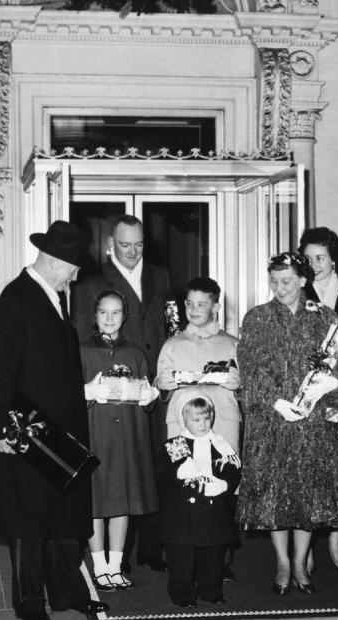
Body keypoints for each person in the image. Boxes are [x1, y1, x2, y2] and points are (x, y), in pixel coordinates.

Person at [0, 220, 109, 620]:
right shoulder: (18, 299)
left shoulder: (51, 296)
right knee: (27, 519)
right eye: (73, 266)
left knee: (60, 515)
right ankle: (29, 601)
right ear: (54, 261)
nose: (76, 274)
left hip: (54, 432)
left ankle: (66, 590)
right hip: (24, 430)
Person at [235, 252, 338, 596]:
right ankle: (282, 563)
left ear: (303, 280)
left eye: (286, 281)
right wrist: (275, 401)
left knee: (307, 493)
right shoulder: (257, 317)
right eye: (273, 281)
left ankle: (301, 561)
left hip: (312, 421)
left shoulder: (325, 317)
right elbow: (249, 365)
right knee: (275, 494)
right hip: (271, 420)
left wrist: (330, 384)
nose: (279, 288)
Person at [73, 214, 172, 572]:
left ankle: (148, 549)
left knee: (148, 465)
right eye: (125, 245)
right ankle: (116, 560)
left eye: (139, 244)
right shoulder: (89, 284)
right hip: (109, 390)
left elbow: (167, 326)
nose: (133, 252)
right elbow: (84, 334)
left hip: (149, 381)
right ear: (112, 245)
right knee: (112, 470)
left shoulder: (161, 276)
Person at [80, 290, 161, 593]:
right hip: (96, 433)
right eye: (104, 312)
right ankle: (99, 566)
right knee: (97, 501)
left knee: (123, 501)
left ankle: (115, 566)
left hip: (128, 435)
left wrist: (150, 395)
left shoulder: (136, 353)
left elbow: (147, 396)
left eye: (116, 313)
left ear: (124, 316)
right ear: (95, 314)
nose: (110, 319)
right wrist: (88, 392)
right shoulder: (82, 351)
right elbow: (70, 399)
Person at [298, 226, 338, 572]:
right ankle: (305, 546)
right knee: (310, 464)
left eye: (320, 258)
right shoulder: (298, 290)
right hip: (307, 389)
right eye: (307, 259)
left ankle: (337, 536)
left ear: (334, 260)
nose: (313, 264)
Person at [158, 396, 241, 608]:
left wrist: (224, 485)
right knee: (182, 560)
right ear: (183, 420)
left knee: (213, 556)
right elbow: (163, 474)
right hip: (183, 514)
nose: (203, 424)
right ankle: (183, 594)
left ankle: (211, 591)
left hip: (213, 513)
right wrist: (179, 473)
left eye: (206, 418)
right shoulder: (176, 445)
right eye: (196, 420)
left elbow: (232, 471)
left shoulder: (221, 445)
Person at [157, 276, 241, 451]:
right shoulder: (172, 345)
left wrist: (240, 386)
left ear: (216, 307)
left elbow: (250, 392)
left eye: (201, 305)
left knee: (225, 474)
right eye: (189, 304)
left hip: (223, 425)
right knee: (181, 474)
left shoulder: (234, 345)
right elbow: (160, 391)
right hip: (180, 427)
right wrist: (163, 385)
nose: (193, 309)